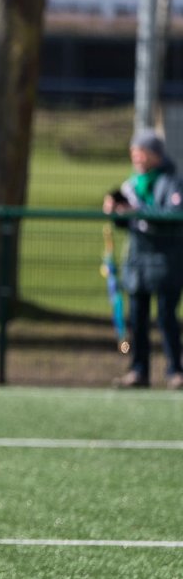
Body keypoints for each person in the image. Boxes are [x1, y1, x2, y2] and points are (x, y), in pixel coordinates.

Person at [103, 128, 183, 389]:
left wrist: (138, 210)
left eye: (140, 151)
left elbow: (174, 215)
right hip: (137, 262)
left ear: (154, 154)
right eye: (133, 152)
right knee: (136, 319)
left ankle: (174, 370)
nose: (135, 157)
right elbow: (127, 224)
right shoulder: (133, 183)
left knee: (166, 317)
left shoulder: (172, 181)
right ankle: (138, 369)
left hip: (166, 262)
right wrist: (117, 212)